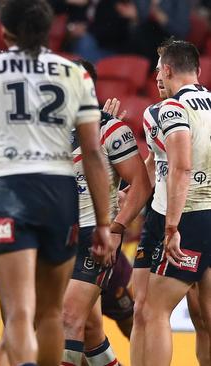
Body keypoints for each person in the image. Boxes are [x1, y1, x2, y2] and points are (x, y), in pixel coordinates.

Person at [0, 1, 113, 365]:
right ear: (50, 30)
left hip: (10, 191)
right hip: (59, 193)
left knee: (20, 313)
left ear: (5, 32)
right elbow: (92, 154)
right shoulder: (76, 75)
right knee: (51, 314)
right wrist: (103, 223)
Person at [61, 61, 151, 366]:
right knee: (90, 328)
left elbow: (141, 182)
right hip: (55, 238)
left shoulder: (109, 129)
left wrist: (116, 228)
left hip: (92, 236)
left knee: (71, 318)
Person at [133, 39, 211, 366]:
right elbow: (158, 163)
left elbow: (180, 168)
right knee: (205, 319)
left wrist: (172, 226)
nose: (155, 78)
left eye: (157, 70)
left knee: (152, 311)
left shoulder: (171, 109)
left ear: (167, 69)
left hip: (188, 216)